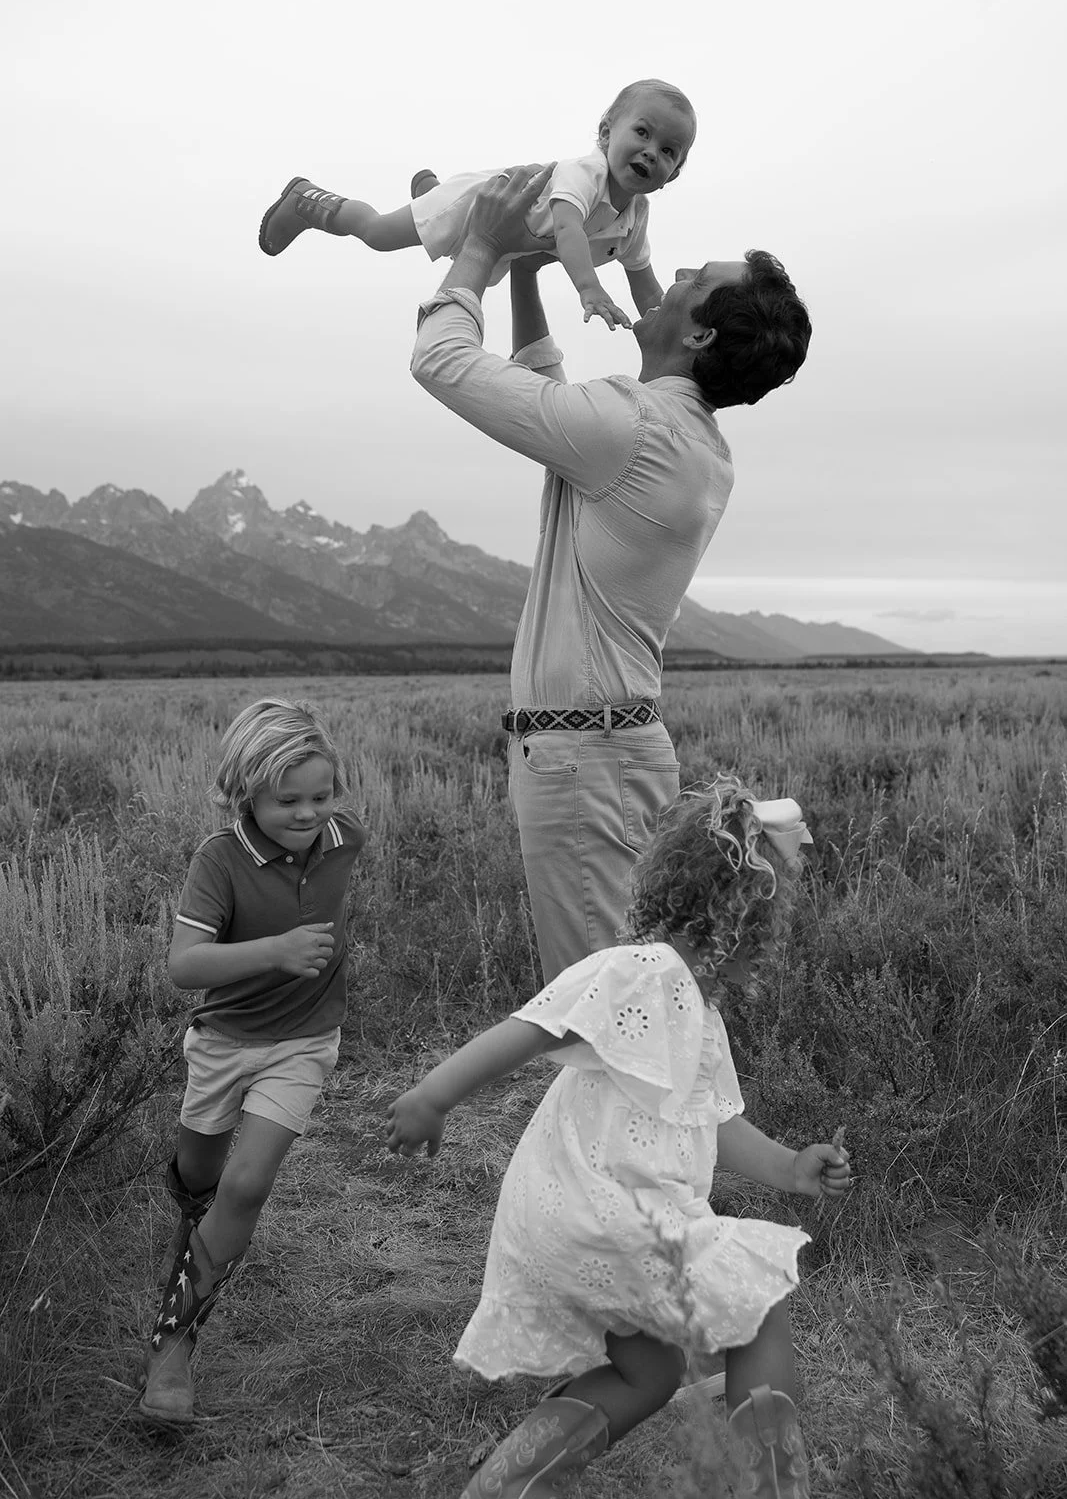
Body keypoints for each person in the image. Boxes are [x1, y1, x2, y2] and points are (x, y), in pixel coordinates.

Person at [407, 163, 812, 985]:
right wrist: (528, 270)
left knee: (611, 1015)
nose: (675, 273)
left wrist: (482, 244)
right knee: (635, 999)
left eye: (697, 279)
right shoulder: (673, 438)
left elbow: (440, 359)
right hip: (598, 755)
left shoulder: (633, 430)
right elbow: (549, 394)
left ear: (698, 335)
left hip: (586, 760)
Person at [387, 779, 850, 1497]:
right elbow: (535, 1025)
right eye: (768, 925)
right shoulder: (645, 970)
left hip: (582, 1215)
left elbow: (713, 1122)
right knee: (759, 1303)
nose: (770, 945)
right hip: (607, 1210)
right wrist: (431, 1097)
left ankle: (502, 1490)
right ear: (737, 919)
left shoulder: (698, 1010)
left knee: (650, 1371)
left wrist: (790, 1168)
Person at [137, 697, 367, 1423]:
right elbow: (184, 965)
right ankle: (188, 1236)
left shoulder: (345, 840)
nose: (308, 815)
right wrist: (275, 950)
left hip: (302, 1045)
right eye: (286, 800)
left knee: (244, 1185)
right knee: (198, 1178)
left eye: (322, 796)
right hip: (224, 1044)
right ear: (246, 792)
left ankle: (173, 1346)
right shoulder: (220, 859)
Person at [258, 78, 697, 328]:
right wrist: (590, 289)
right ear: (605, 135)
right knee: (378, 234)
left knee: (447, 235)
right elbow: (567, 231)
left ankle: (429, 192)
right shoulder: (585, 174)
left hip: (508, 240)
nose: (651, 152)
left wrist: (668, 328)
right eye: (642, 133)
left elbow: (644, 282)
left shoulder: (636, 218)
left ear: (673, 175)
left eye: (668, 151)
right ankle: (306, 200)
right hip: (477, 204)